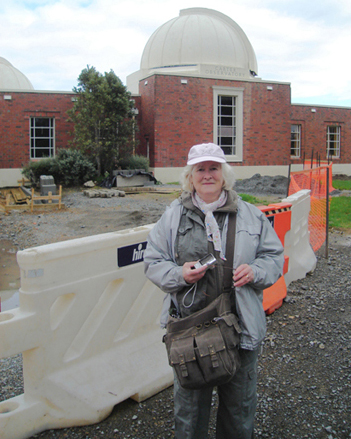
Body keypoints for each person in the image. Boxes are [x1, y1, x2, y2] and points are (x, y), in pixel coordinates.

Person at [144, 143, 284, 439]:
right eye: (200, 169)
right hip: (189, 332)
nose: (208, 175)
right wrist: (179, 273)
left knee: (239, 410)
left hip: (240, 327)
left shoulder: (250, 214)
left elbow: (273, 258)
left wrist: (255, 271)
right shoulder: (172, 216)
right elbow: (153, 262)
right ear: (190, 177)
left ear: (224, 174)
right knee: (190, 414)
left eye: (214, 168)